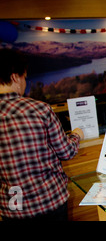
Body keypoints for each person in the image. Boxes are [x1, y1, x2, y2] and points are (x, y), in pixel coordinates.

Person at [0, 48, 84, 221]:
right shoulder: (39, 109)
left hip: (11, 209)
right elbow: (66, 152)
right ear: (16, 77)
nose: (25, 83)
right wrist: (76, 135)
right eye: (24, 77)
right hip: (49, 202)